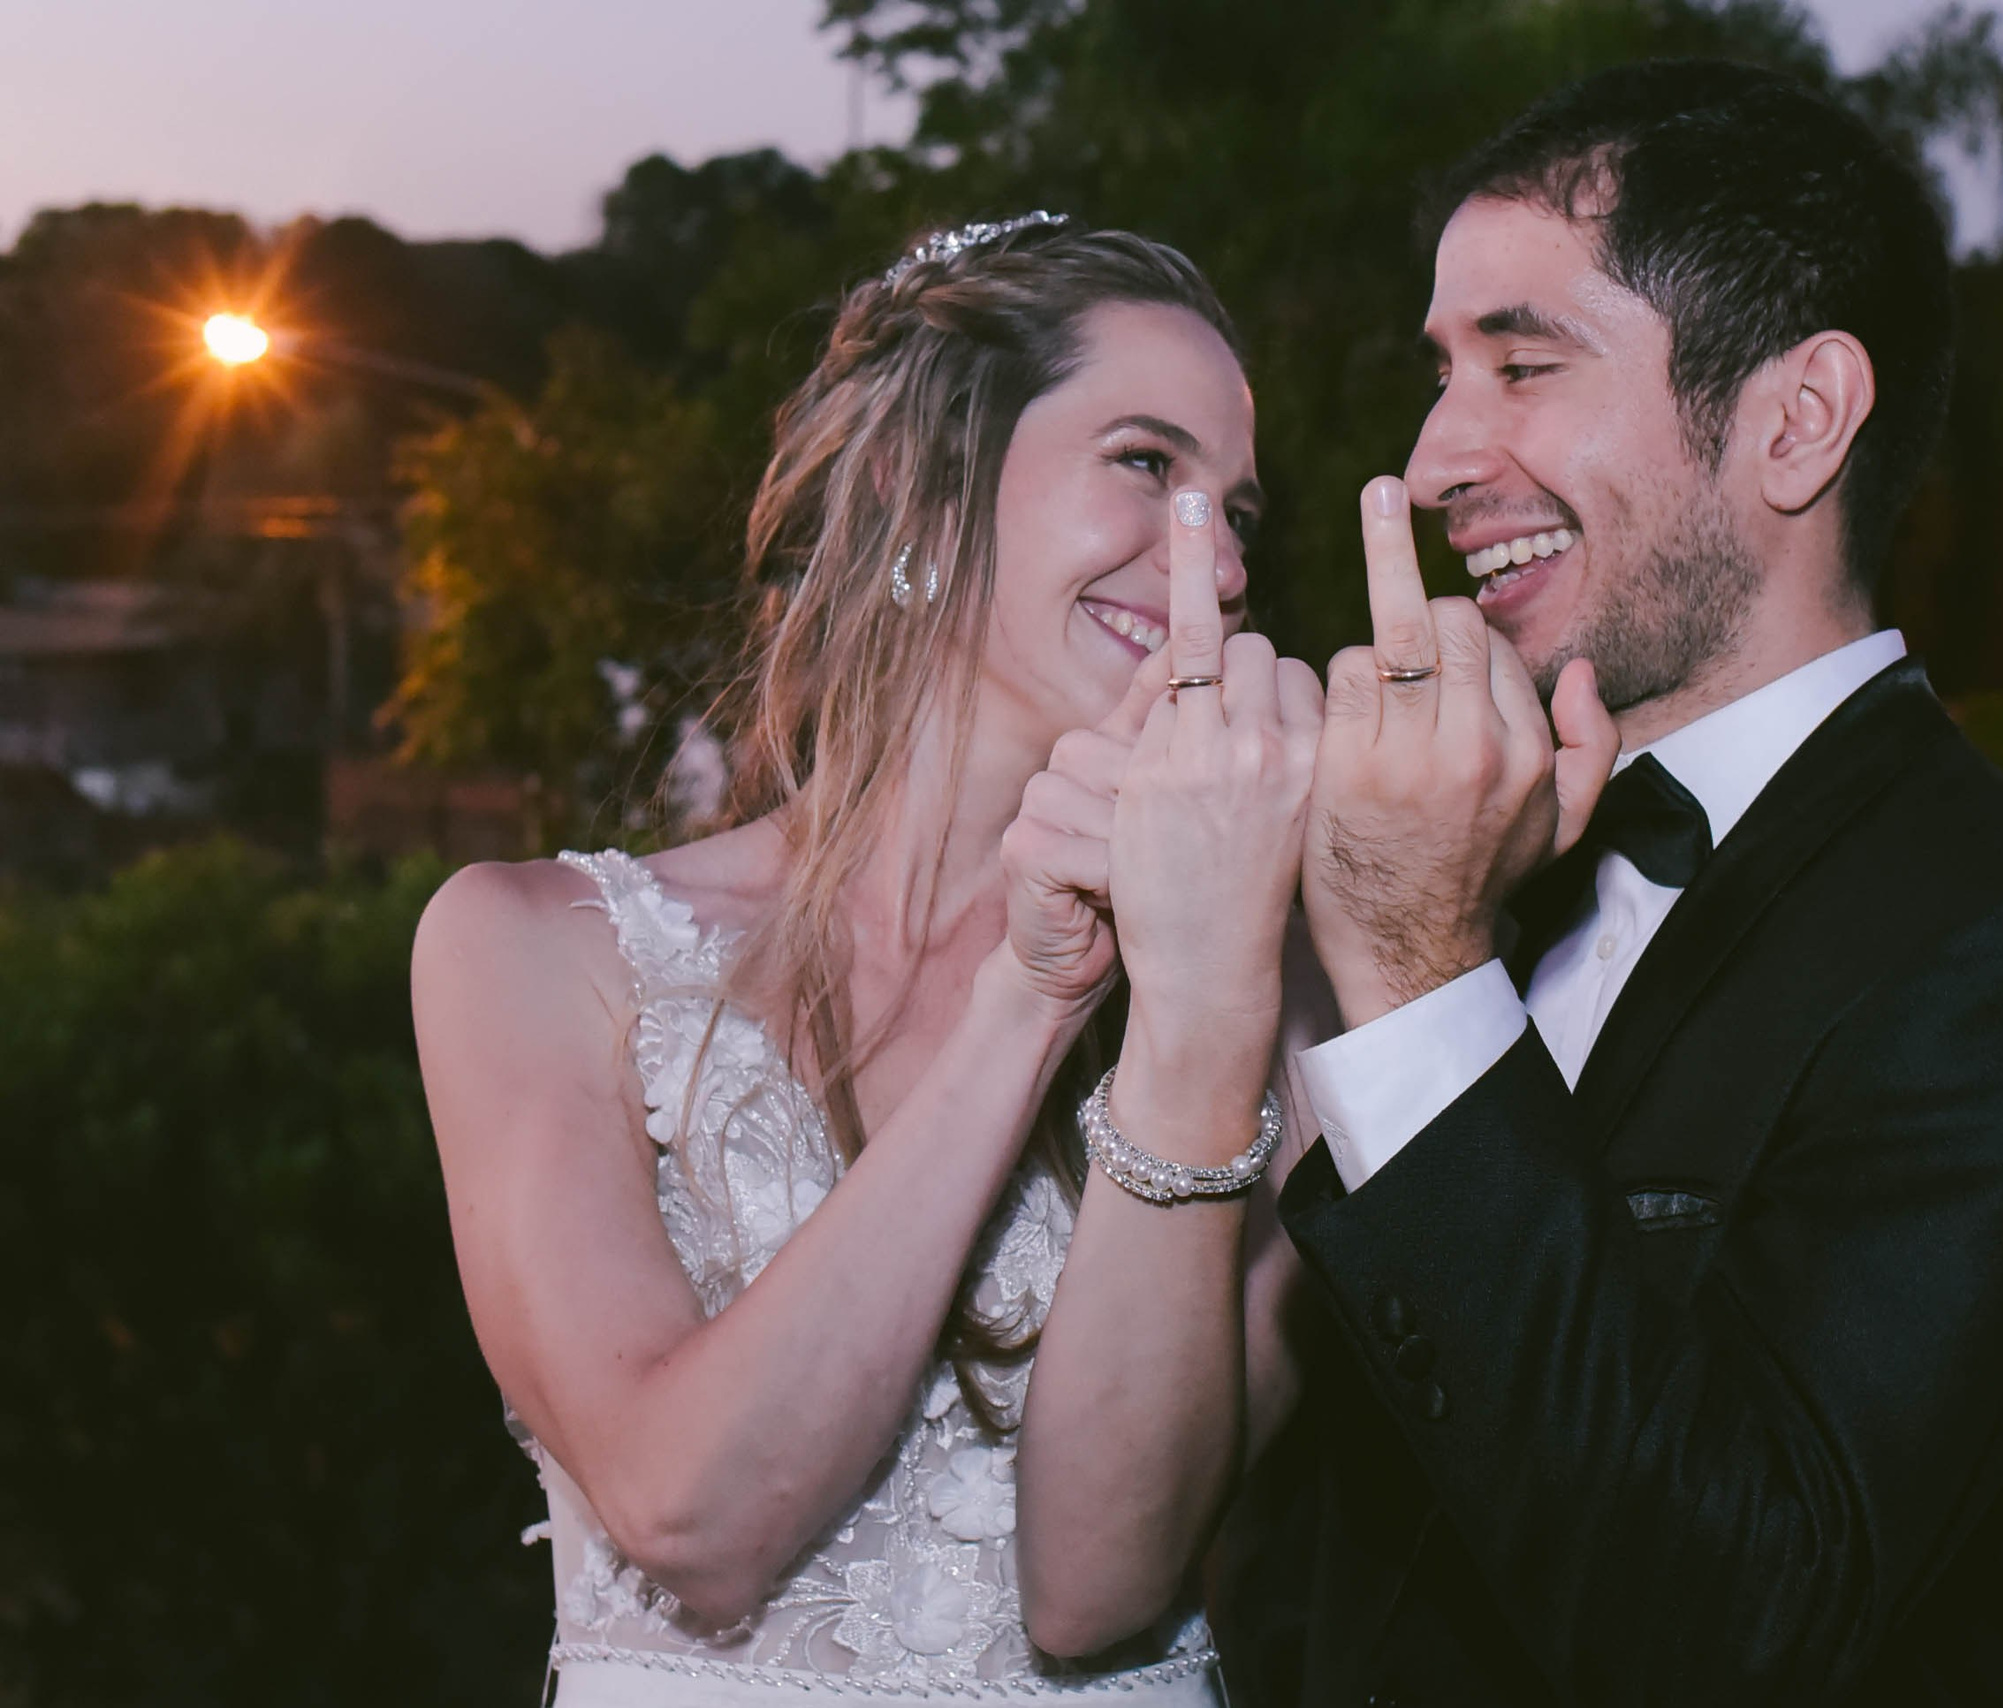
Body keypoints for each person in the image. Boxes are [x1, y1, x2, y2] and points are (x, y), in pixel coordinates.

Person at [1207, 60, 2003, 1706]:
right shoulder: (1496, 847)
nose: (1434, 460)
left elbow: (1742, 1623)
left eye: (1523, 363)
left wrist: (1416, 970)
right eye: (1442, 375)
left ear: (1798, 419)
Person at [411, 216, 1328, 1704]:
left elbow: (1102, 1587)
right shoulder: (536, 950)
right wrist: (1031, 1003)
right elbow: (691, 1514)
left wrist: (1196, 998)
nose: (1215, 563)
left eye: (1237, 514)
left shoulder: (1266, 998)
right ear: (918, 482)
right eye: (1147, 464)